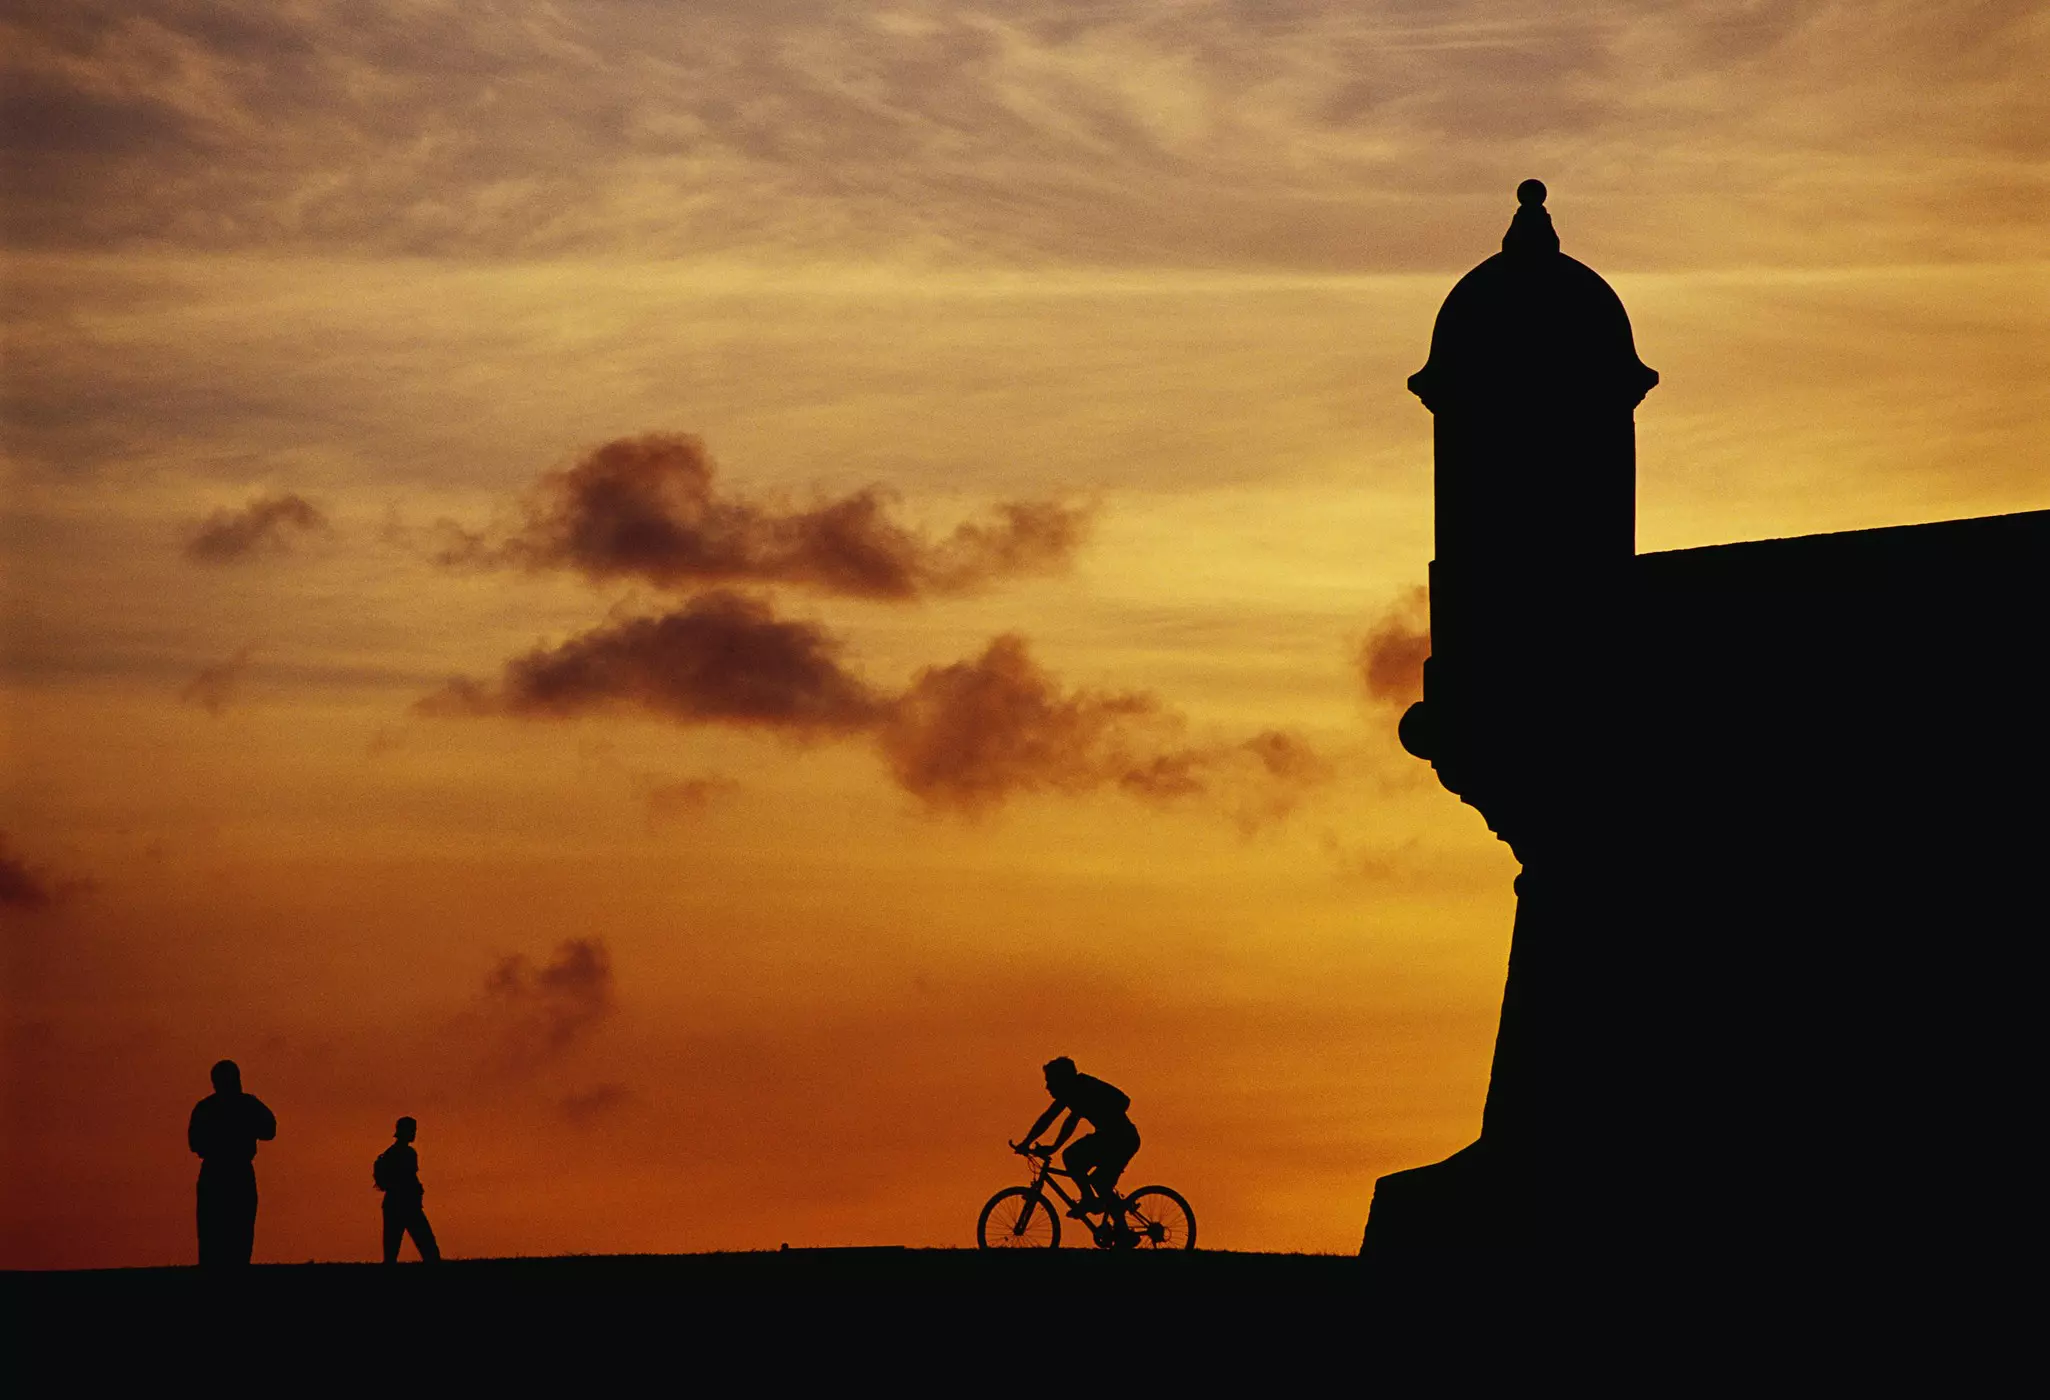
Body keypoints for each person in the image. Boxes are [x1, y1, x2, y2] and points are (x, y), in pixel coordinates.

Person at [1017, 1056, 1140, 1219]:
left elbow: (1124, 1100)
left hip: (1122, 1139)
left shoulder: (1082, 1087)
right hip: (1115, 1138)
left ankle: (1089, 1200)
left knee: (1073, 1158)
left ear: (1062, 1080)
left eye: (1050, 1081)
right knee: (1100, 1182)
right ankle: (1122, 1233)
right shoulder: (1071, 1092)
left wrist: (1101, 1112)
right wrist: (1044, 1145)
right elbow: (1050, 1118)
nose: (1047, 1087)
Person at [187, 1059, 277, 1267]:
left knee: (227, 1234)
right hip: (230, 1173)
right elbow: (269, 1129)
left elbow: (194, 1142)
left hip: (221, 1173)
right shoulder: (245, 1105)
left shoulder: (207, 1108)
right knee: (231, 1234)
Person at [373, 1116, 441, 1264]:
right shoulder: (407, 1153)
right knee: (428, 1248)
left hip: (393, 1205)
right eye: (412, 1130)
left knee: (391, 1251)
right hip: (407, 1206)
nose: (414, 1134)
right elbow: (408, 1178)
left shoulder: (391, 1153)